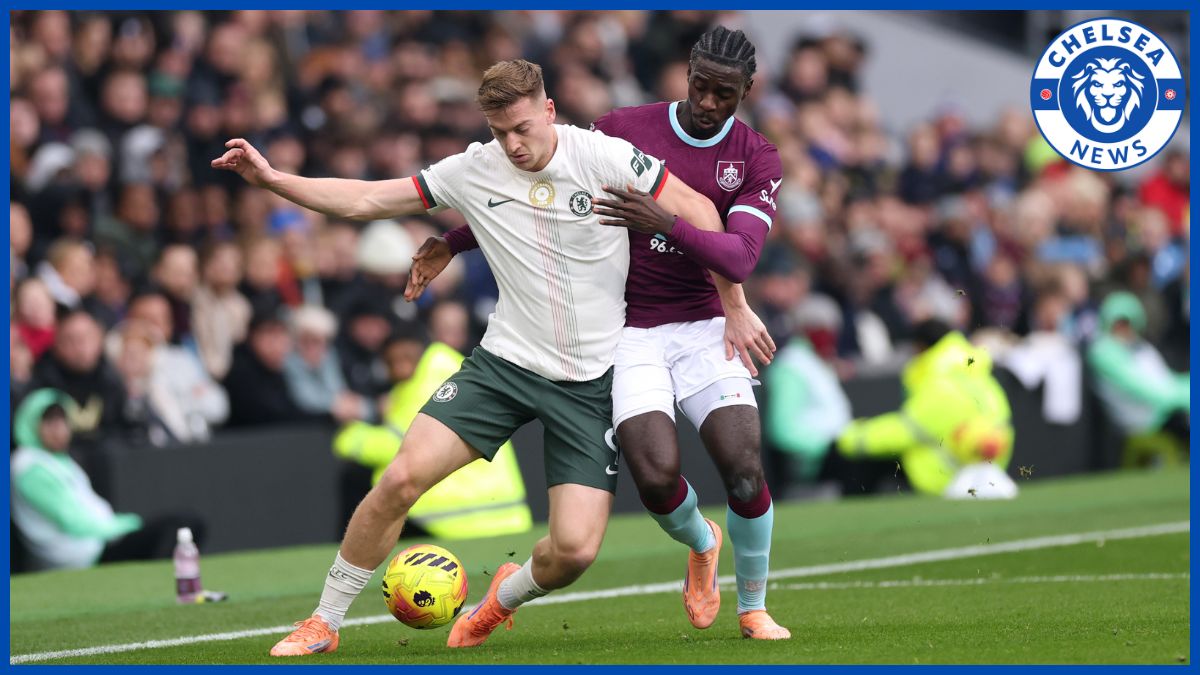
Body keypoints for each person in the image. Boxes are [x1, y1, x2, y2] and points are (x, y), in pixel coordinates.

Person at [213, 58, 726, 657]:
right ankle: (324, 621)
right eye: (499, 131)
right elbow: (364, 200)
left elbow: (700, 212)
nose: (512, 145)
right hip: (504, 365)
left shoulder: (605, 157)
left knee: (575, 552)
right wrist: (274, 178)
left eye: (524, 128)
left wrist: (732, 306)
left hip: (592, 381)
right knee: (401, 477)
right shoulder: (473, 169)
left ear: (550, 111)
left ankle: (503, 599)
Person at [408, 27, 787, 640]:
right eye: (700, 86)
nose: (709, 102)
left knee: (743, 470)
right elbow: (541, 196)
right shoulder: (623, 129)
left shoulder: (755, 156)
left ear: (749, 88)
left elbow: (739, 256)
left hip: (704, 326)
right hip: (629, 329)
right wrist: (455, 240)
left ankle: (753, 607)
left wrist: (669, 226)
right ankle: (700, 541)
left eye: (725, 93)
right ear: (684, 73)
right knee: (657, 476)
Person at [333, 325, 532, 539]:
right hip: (506, 518)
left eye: (406, 357)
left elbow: (398, 445)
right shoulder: (450, 365)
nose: (400, 368)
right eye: (392, 362)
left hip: (455, 523)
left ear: (423, 350)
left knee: (371, 476)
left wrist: (348, 435)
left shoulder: (429, 379)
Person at [835, 319, 1017, 498]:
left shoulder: (940, 384)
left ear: (921, 347)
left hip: (946, 479)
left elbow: (904, 431)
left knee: (866, 462)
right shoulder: (981, 378)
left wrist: (850, 438)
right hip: (989, 470)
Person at [1087, 291, 1190, 464]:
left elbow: (1166, 381)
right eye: (1119, 323)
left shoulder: (1142, 348)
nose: (1123, 328)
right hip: (1141, 419)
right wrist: (1182, 398)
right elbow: (1143, 389)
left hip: (1164, 412)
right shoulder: (1103, 351)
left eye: (1127, 323)